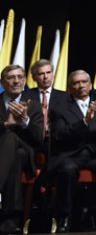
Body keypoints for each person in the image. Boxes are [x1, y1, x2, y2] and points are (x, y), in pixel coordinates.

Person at [47, 70, 96, 232]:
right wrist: (84, 121)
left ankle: (94, 213)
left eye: (84, 82)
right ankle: (64, 217)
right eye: (76, 83)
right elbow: (60, 135)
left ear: (90, 85)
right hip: (71, 154)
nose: (81, 85)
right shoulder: (60, 108)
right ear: (69, 88)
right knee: (68, 169)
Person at [0, 65, 44, 234]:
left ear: (25, 80)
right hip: (6, 154)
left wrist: (25, 121)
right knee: (16, 154)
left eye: (20, 77)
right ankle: (10, 220)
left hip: (28, 154)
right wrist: (6, 124)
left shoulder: (34, 105)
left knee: (15, 143)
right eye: (11, 77)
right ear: (3, 82)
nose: (16, 81)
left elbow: (38, 138)